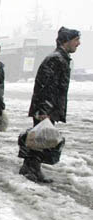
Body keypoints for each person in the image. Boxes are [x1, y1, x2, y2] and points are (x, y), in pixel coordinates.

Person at [20, 27, 81, 183]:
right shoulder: (56, 59)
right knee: (41, 138)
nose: (78, 44)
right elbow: (46, 86)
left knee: (40, 137)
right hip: (46, 107)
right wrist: (44, 109)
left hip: (48, 106)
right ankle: (32, 170)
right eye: (76, 40)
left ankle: (28, 167)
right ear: (66, 41)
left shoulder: (61, 58)